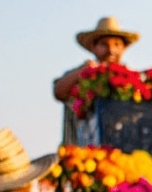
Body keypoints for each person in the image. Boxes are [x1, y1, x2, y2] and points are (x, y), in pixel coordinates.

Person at [52, 16, 141, 146]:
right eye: (104, 44)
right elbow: (59, 92)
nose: (111, 50)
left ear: (123, 48)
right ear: (93, 47)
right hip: (80, 153)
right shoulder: (81, 75)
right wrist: (85, 70)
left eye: (116, 44)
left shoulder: (132, 80)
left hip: (121, 153)